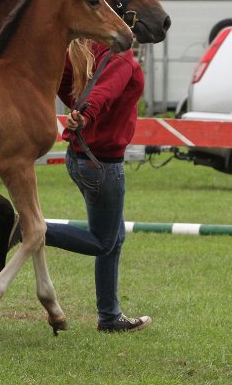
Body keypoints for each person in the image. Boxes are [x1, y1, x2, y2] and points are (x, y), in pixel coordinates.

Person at [44, 38, 152, 333]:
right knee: (103, 242)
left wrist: (81, 112)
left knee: (114, 239)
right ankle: (32, 229)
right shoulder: (120, 55)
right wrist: (87, 113)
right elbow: (105, 91)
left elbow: (64, 83)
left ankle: (109, 317)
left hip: (79, 158)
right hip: (102, 164)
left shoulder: (86, 48)